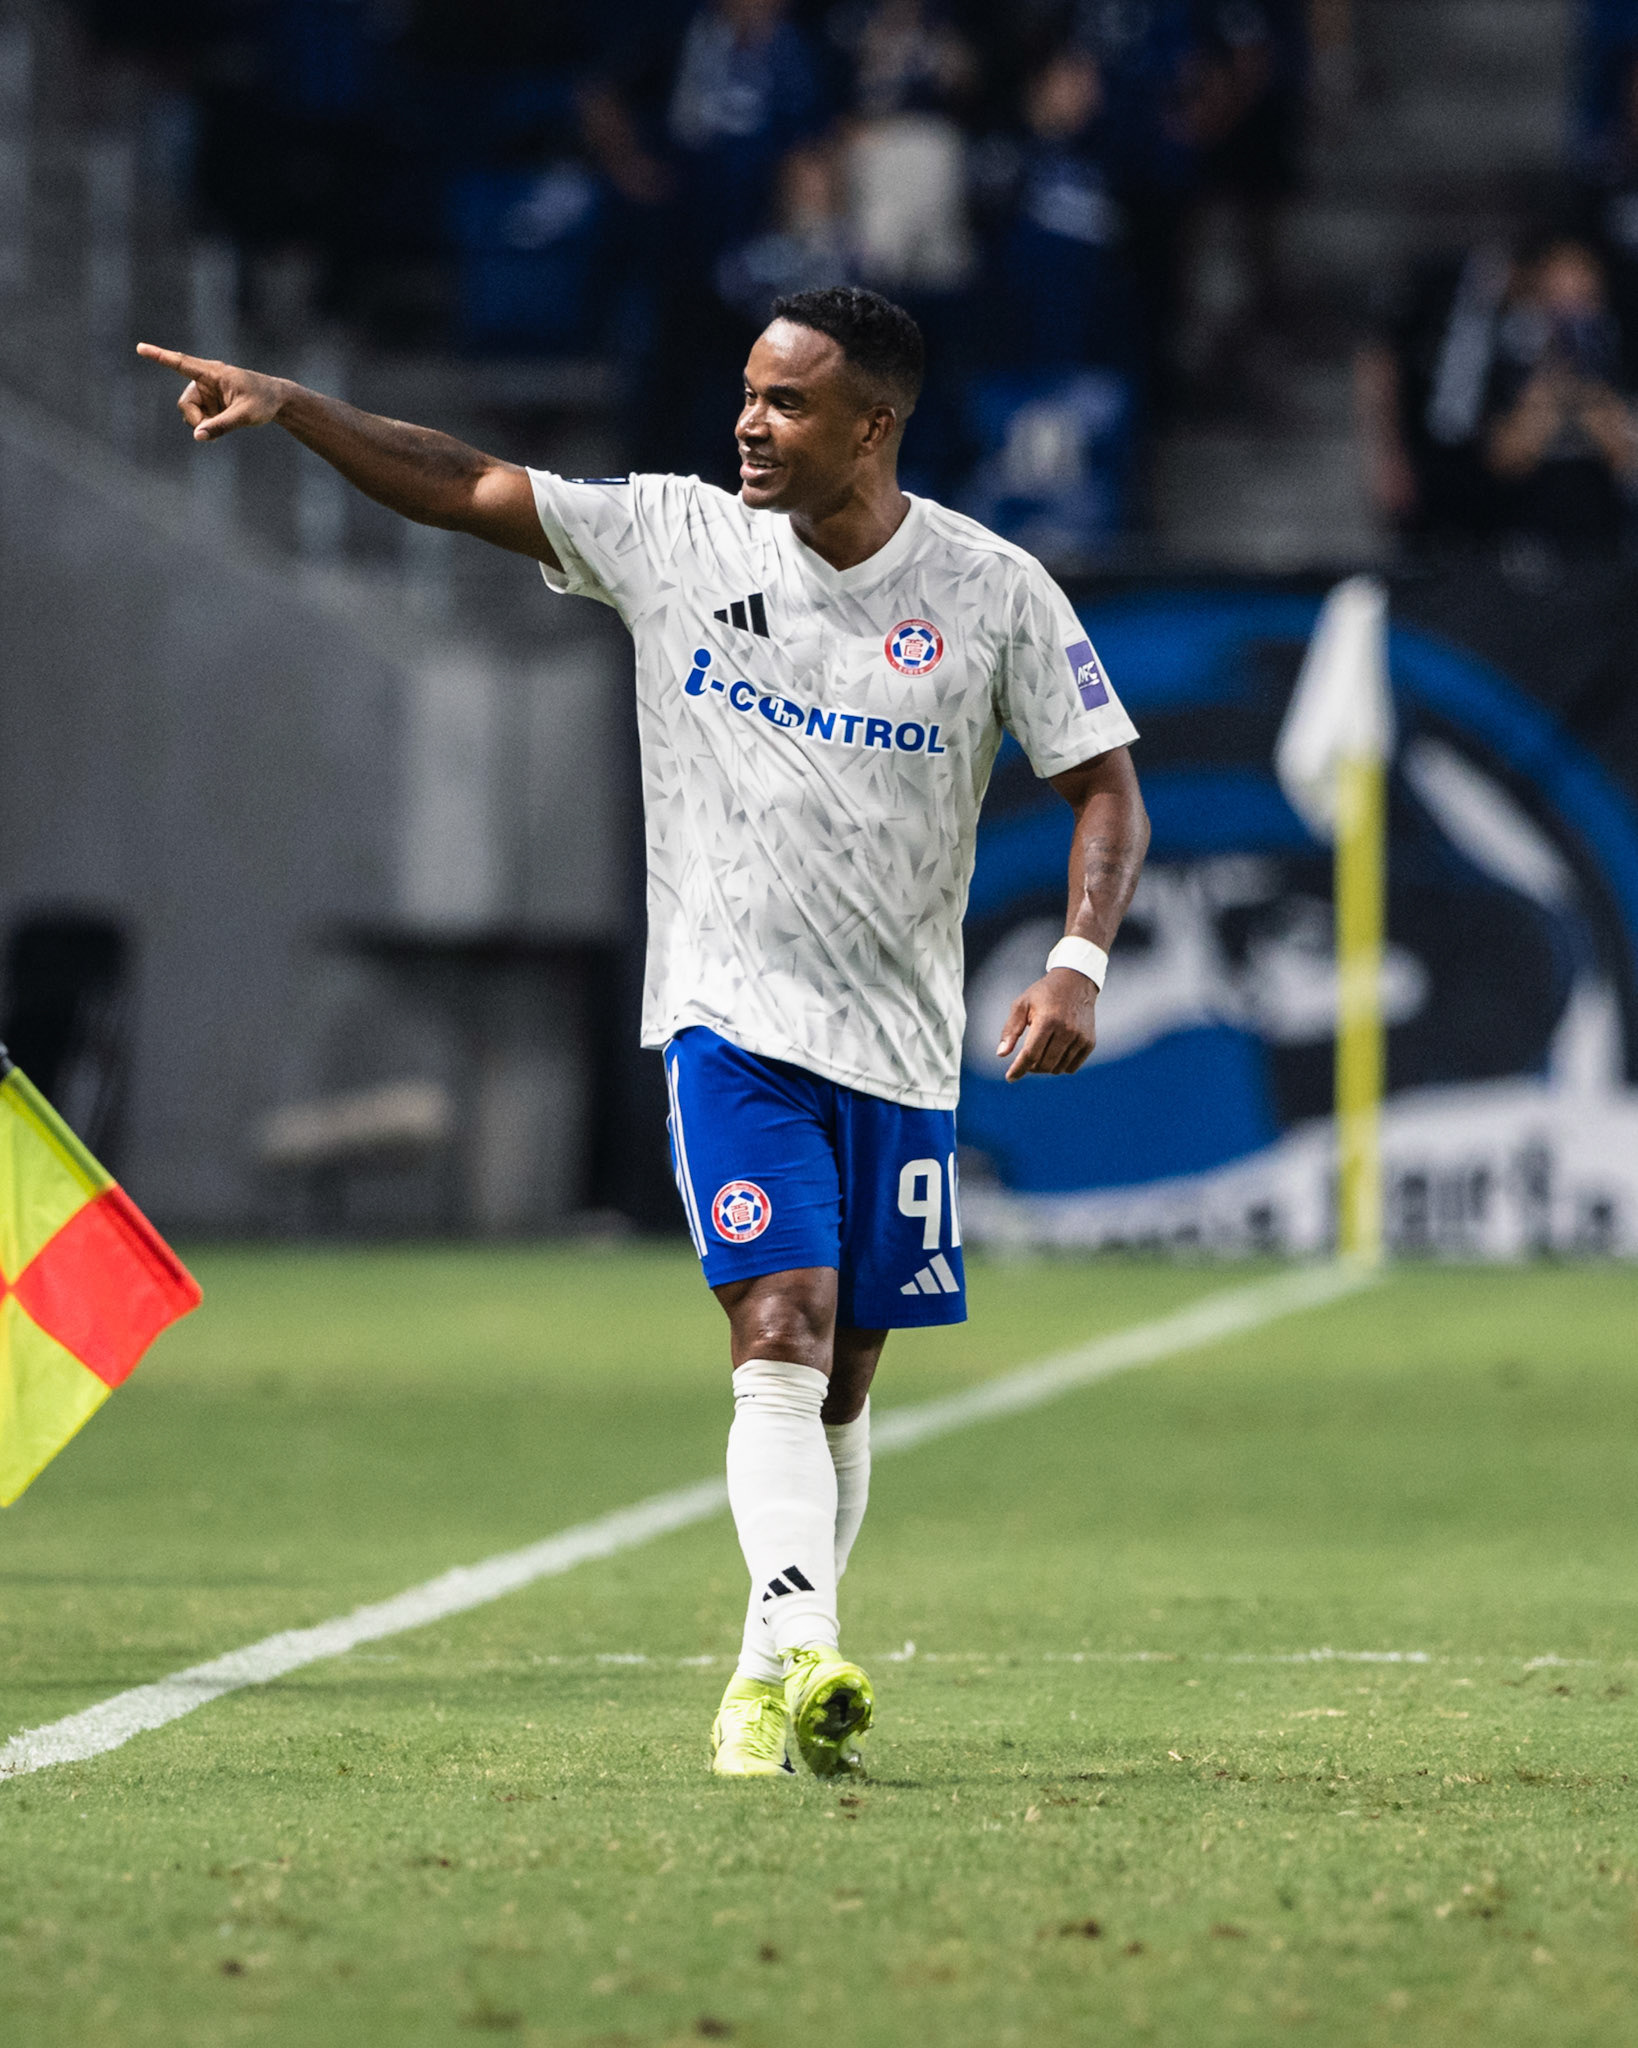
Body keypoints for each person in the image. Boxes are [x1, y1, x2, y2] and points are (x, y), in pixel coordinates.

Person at [136, 285, 1148, 1780]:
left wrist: (1075, 963)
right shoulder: (675, 538)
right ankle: (806, 1645)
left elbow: (1106, 787)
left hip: (899, 1047)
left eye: (787, 402)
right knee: (779, 1331)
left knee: (845, 1377)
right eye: (745, 391)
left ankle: (758, 1672)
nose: (747, 421)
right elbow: (459, 478)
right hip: (728, 1023)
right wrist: (299, 408)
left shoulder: (992, 591)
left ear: (873, 425)